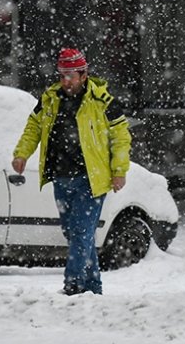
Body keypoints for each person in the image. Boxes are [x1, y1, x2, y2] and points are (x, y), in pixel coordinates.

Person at [12, 48, 131, 295]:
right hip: (61, 177)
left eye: (72, 75)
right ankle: (93, 287)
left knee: (80, 233)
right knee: (75, 234)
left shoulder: (102, 101)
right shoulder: (49, 98)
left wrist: (119, 170)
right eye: (62, 75)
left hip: (91, 179)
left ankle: (73, 285)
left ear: (84, 74)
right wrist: (22, 153)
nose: (66, 81)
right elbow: (34, 126)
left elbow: (121, 136)